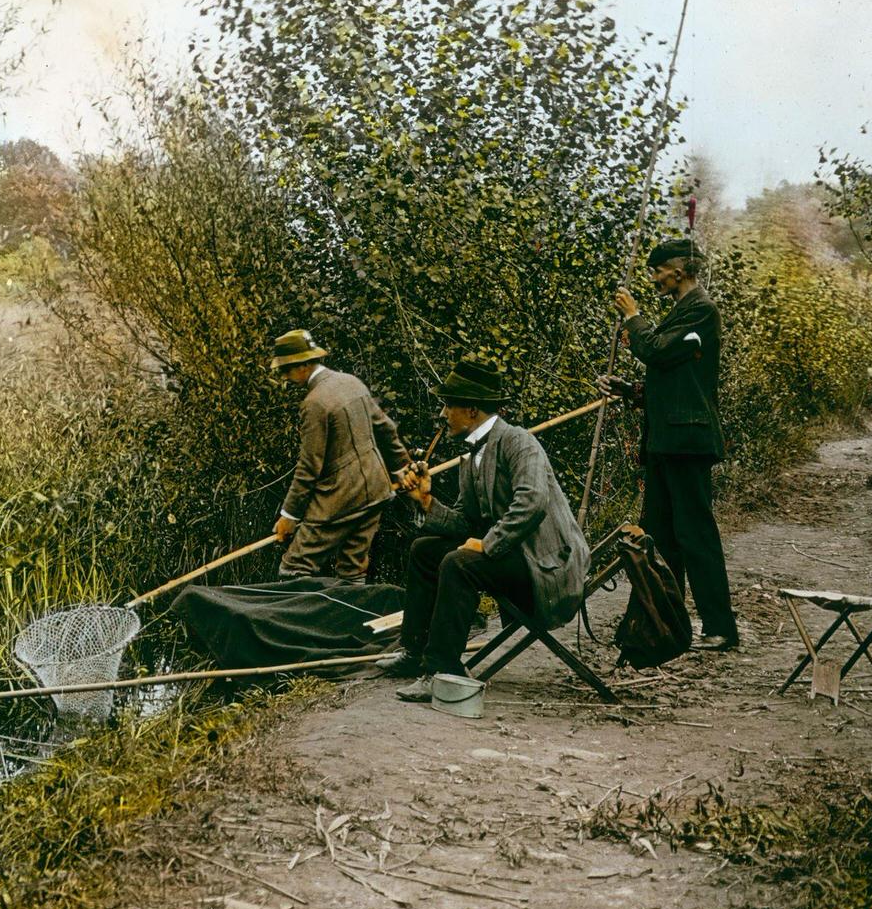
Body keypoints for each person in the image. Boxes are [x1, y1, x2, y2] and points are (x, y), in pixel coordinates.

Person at [383, 358, 591, 701]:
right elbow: (464, 522)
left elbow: (533, 502)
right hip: (515, 556)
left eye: (449, 405)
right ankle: (415, 653)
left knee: (459, 563)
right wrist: (425, 502)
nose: (443, 413)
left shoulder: (518, 442)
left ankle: (441, 670)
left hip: (546, 566)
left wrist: (488, 544)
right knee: (425, 551)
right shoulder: (472, 455)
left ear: (472, 409)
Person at [601, 237, 739, 652]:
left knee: (695, 536)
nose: (654, 279)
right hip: (666, 441)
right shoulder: (684, 311)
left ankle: (720, 628)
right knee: (657, 536)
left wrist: (633, 317)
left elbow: (657, 352)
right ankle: (660, 622)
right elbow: (676, 380)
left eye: (658, 271)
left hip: (686, 443)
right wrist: (629, 390)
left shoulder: (701, 310)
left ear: (678, 271)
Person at [270, 329, 412, 582]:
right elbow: (386, 428)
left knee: (293, 568)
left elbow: (308, 467)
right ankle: (352, 620)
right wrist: (402, 466)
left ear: (302, 365)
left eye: (286, 370)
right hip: (375, 491)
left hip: (339, 500)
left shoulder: (314, 404)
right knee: (353, 568)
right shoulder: (351, 382)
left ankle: (301, 621)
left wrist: (289, 516)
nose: (285, 377)